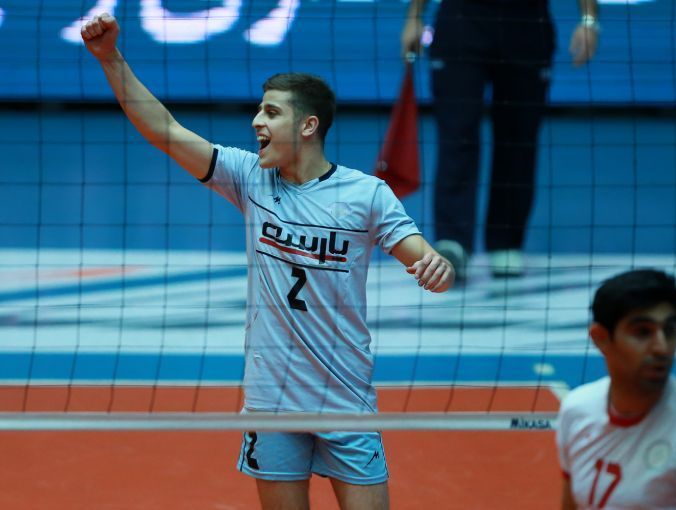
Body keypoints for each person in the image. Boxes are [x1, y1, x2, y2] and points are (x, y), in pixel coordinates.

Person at [81, 13, 455, 510]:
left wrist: (438, 269)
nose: (257, 121)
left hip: (346, 399)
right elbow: (164, 130)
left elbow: (424, 258)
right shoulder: (249, 178)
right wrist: (110, 58)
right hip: (271, 399)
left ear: (308, 125)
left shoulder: (366, 194)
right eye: (260, 110)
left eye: (271, 113)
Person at [401, 0, 599, 279]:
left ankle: (505, 243)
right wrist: (414, 16)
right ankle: (453, 242)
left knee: (519, 139)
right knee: (456, 135)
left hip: (527, 25)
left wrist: (589, 21)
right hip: (461, 21)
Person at [556, 269, 676, 509]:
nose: (661, 347)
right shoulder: (576, 410)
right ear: (600, 338)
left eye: (669, 331)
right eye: (642, 332)